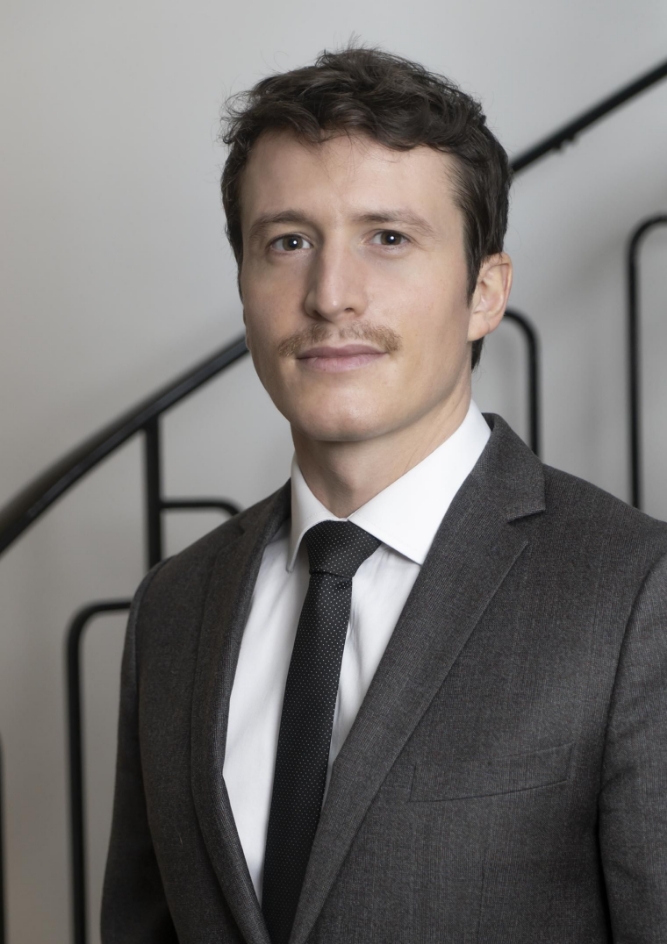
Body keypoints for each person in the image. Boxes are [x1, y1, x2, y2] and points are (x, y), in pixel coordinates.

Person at [102, 46, 667, 944]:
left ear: (484, 293)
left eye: (388, 239)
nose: (330, 296)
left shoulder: (634, 592)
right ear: (245, 287)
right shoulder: (172, 607)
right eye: (288, 242)